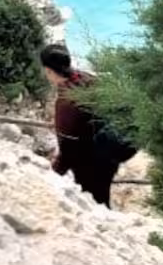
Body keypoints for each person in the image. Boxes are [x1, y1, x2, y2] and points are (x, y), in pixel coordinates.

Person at [41, 42, 117, 207]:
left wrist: (51, 176)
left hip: (88, 160)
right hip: (108, 150)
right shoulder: (86, 78)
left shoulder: (66, 104)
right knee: (103, 197)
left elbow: (67, 152)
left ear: (48, 70)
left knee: (96, 203)